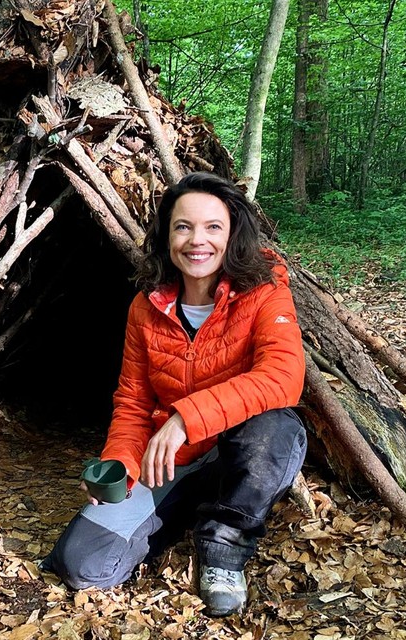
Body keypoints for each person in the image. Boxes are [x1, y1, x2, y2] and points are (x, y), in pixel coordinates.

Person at [43, 172, 307, 617]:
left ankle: (225, 544)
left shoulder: (264, 292)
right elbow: (132, 401)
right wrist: (121, 464)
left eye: (212, 227)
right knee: (82, 565)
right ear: (167, 236)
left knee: (275, 429)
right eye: (183, 226)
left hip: (237, 445)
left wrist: (185, 419)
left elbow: (283, 376)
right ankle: (179, 511)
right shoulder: (146, 307)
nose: (196, 240)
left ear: (232, 234)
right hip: (171, 461)